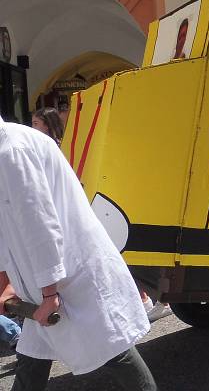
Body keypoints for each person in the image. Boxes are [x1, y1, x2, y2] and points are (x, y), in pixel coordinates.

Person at [0, 114, 156, 390]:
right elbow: (7, 228)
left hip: (69, 277)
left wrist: (49, 293)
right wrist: (7, 282)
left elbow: (40, 225)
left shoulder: (13, 151)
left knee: (112, 351)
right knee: (31, 362)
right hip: (41, 281)